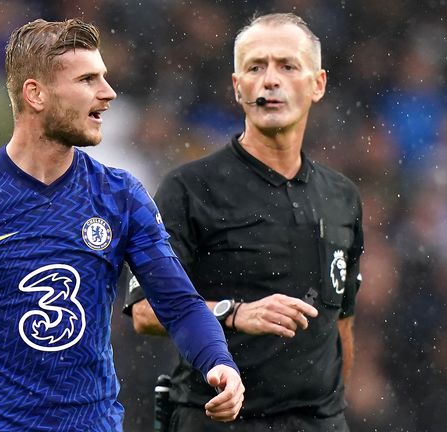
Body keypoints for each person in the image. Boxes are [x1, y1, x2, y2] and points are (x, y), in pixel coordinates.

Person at [0, 18, 244, 432]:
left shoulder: (120, 195)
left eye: (104, 78)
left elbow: (179, 304)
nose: (107, 94)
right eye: (88, 79)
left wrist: (220, 362)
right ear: (35, 94)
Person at [124, 13, 363, 432]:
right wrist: (232, 313)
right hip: (218, 420)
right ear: (238, 87)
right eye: (255, 67)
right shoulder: (189, 188)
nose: (270, 80)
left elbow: (342, 322)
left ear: (318, 84)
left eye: (288, 66)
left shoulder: (341, 196)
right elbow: (145, 311)